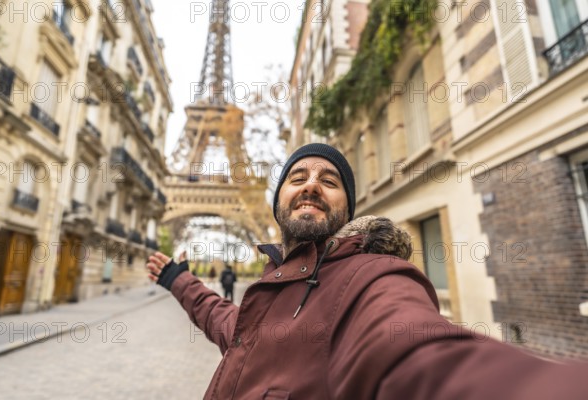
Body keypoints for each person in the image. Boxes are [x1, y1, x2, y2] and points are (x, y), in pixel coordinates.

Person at [147, 143, 588, 399]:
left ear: (347, 209)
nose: (312, 184)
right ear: (279, 198)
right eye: (297, 176)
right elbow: (228, 324)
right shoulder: (273, 285)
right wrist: (176, 279)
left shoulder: (372, 278)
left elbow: (419, 354)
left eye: (330, 180)